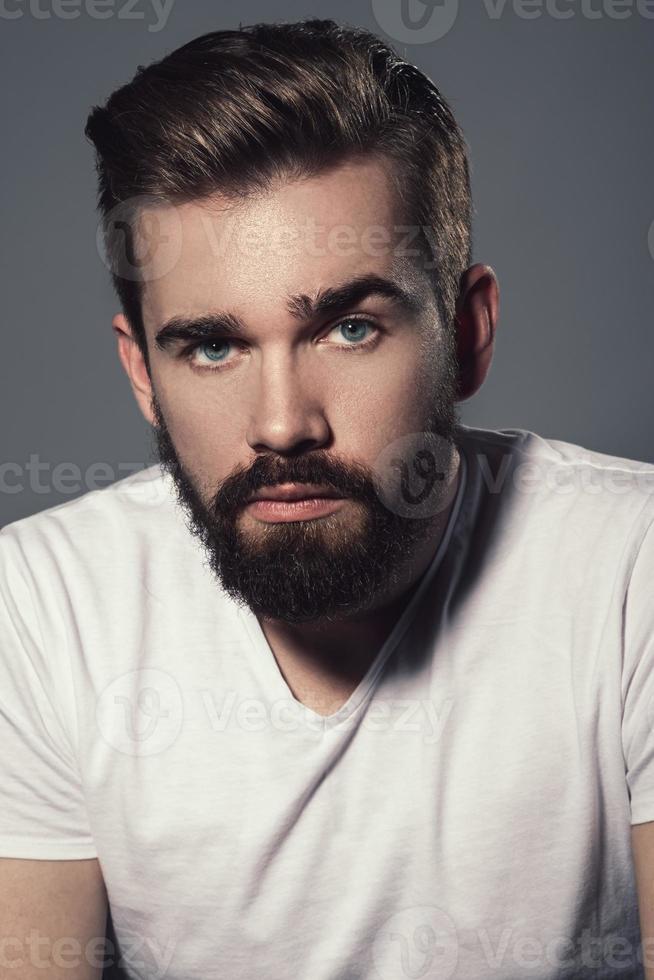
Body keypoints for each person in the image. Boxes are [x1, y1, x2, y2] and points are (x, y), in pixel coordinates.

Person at [0, 17, 652, 980]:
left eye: (349, 328)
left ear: (466, 334)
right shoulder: (42, 607)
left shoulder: (633, 564)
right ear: (142, 371)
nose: (282, 426)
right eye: (213, 346)